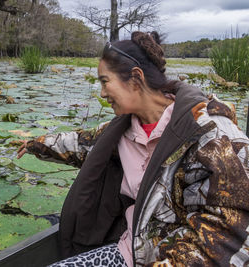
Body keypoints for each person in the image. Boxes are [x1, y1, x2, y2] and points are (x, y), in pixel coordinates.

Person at [17, 31, 249, 266]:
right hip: (129, 252)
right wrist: (36, 144)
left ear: (135, 77)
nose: (102, 93)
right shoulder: (123, 129)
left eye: (105, 81)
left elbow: (229, 228)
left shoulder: (211, 134)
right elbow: (82, 143)